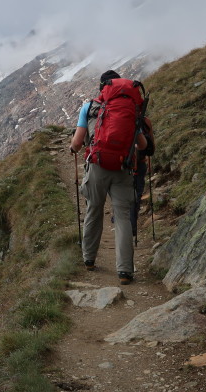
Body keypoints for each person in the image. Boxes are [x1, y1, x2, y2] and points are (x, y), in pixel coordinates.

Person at [69, 70, 147, 285]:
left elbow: (77, 143)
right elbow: (143, 145)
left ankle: (89, 260)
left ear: (102, 87)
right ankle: (124, 271)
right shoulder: (132, 109)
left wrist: (73, 148)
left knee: (94, 210)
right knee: (122, 217)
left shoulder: (90, 107)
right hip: (123, 168)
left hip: (97, 165)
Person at [131, 116, 155, 236]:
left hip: (126, 165)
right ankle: (133, 224)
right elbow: (151, 146)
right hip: (141, 163)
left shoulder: (122, 117)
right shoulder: (146, 121)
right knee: (137, 194)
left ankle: (126, 222)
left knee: (123, 194)